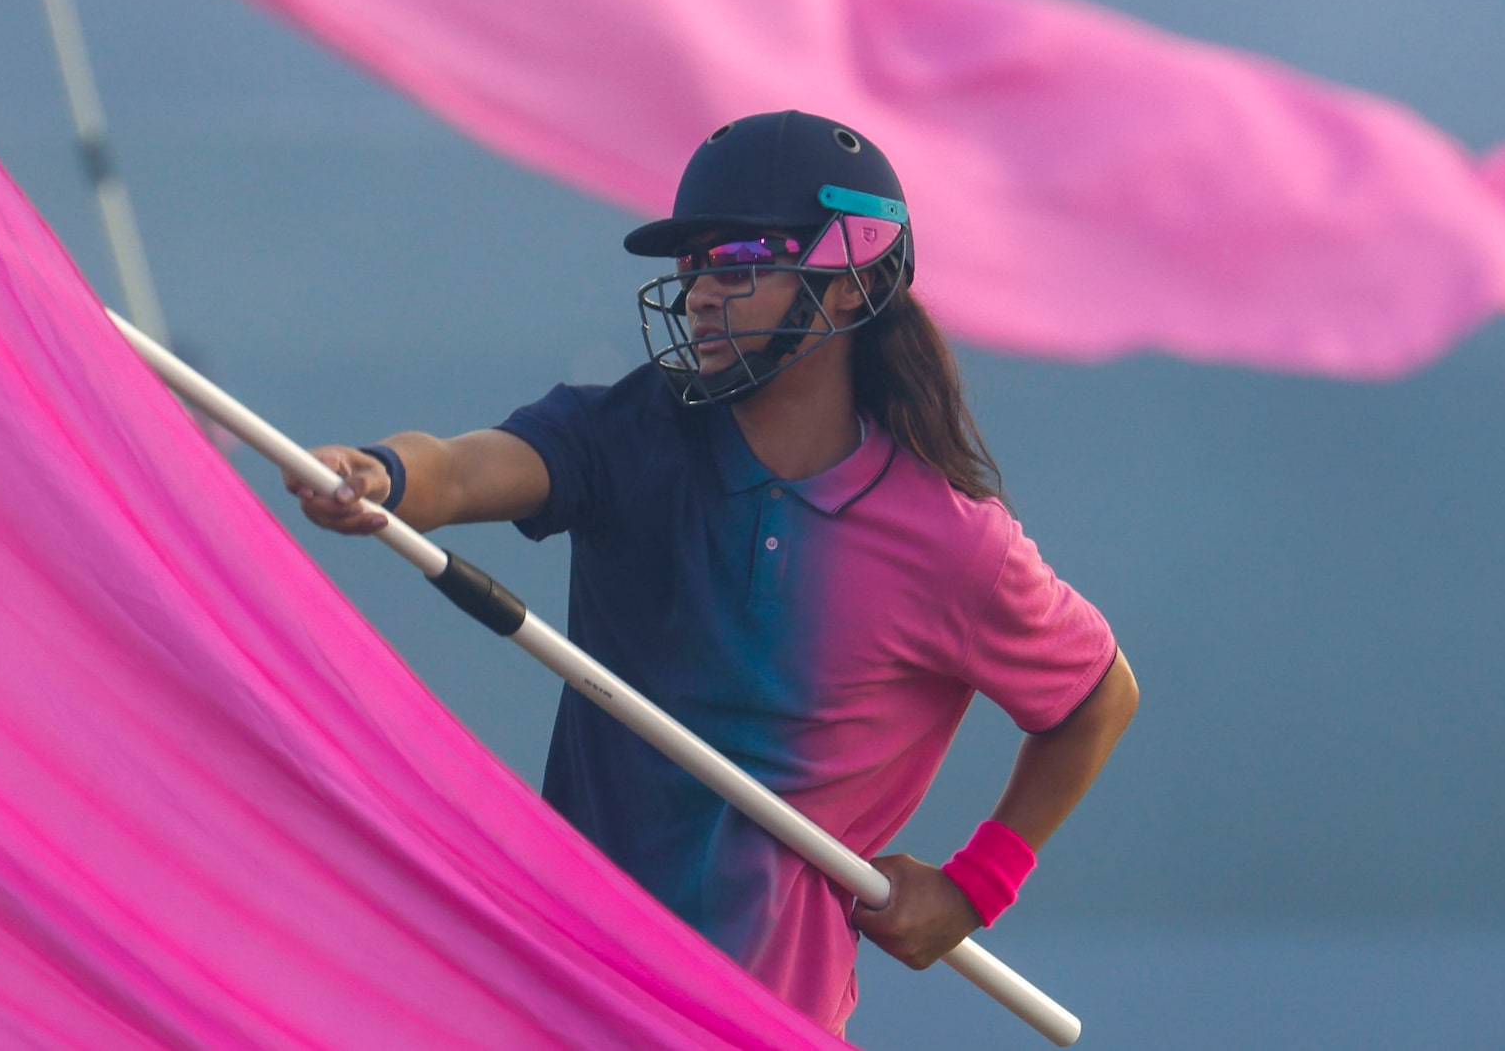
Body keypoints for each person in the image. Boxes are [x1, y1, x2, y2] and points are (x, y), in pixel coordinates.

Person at [292, 110, 1137, 1035]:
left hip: (758, 1022)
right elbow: (460, 469)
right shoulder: (625, 431)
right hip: (555, 994)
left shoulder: (956, 543)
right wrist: (384, 474)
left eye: (735, 261)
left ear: (851, 284)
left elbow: (1099, 697)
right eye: (689, 267)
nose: (698, 292)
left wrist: (976, 887)